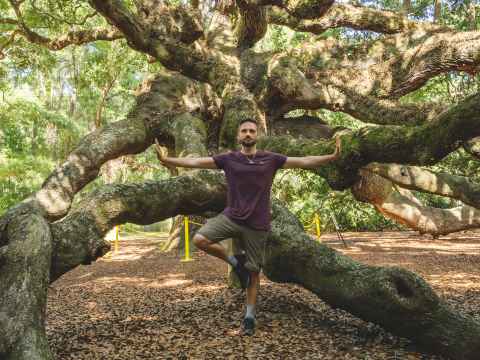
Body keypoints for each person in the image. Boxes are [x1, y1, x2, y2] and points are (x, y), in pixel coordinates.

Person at [154, 118, 341, 336]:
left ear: (257, 135)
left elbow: (304, 161)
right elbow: (197, 162)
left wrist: (332, 157)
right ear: (238, 136)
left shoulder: (271, 159)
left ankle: (249, 316)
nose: (248, 134)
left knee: (253, 273)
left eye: (252, 130)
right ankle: (235, 263)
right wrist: (168, 159)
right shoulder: (229, 159)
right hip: (231, 217)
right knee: (200, 239)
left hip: (258, 224)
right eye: (244, 131)